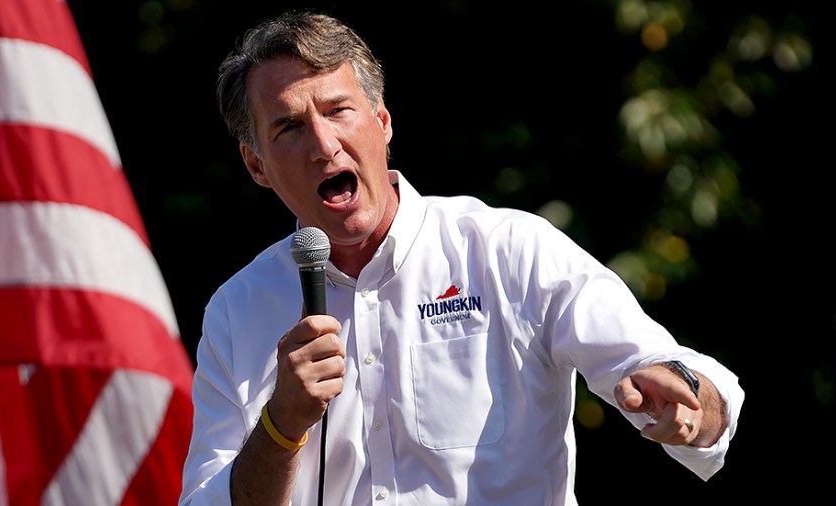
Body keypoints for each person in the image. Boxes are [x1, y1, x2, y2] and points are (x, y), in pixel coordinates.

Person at [179, 9, 745, 505]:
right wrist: (280, 427)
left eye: (338, 111)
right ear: (256, 165)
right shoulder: (237, 312)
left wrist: (690, 400)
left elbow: (679, 377)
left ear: (382, 123)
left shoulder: (509, 250)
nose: (323, 144)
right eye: (289, 127)